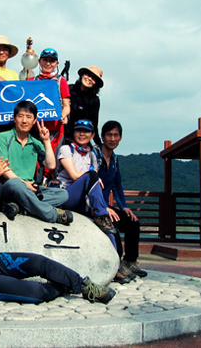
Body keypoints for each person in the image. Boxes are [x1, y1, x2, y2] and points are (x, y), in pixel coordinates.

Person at [57, 119, 134, 283]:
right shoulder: (66, 149)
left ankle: (116, 268)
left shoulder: (92, 155)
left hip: (83, 201)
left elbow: (111, 185)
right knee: (92, 177)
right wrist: (102, 204)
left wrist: (102, 205)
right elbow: (75, 176)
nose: (82, 134)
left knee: (108, 229)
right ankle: (101, 213)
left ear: (92, 135)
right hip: (67, 195)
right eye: (79, 130)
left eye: (86, 131)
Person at [0, 100, 72, 224]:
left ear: (34, 121)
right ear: (14, 118)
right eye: (20, 116)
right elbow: (3, 169)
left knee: (63, 194)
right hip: (10, 186)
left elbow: (51, 165)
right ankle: (51, 214)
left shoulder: (36, 142)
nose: (24, 120)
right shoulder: (3, 137)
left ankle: (21, 207)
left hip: (31, 189)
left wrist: (46, 141)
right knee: (15, 183)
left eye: (29, 117)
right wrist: (24, 183)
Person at [96, 120, 147, 279]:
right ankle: (116, 267)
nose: (112, 138)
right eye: (109, 135)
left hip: (108, 206)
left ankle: (129, 262)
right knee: (114, 225)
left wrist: (123, 207)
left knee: (132, 221)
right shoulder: (94, 156)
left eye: (116, 135)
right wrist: (104, 207)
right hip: (94, 206)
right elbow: (90, 185)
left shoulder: (115, 160)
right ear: (102, 137)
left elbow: (117, 185)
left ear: (120, 137)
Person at [29, 48, 71, 171]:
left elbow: (66, 106)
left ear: (57, 64)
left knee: (53, 163)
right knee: (35, 163)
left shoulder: (61, 82)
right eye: (45, 60)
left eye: (52, 61)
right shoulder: (31, 81)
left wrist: (63, 115)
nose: (48, 63)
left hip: (56, 129)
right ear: (39, 61)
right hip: (35, 129)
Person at [66, 66, 104, 146]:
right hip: (62, 133)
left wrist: (99, 143)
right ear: (82, 75)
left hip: (80, 138)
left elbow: (94, 123)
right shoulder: (68, 89)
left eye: (94, 78)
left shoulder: (94, 100)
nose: (89, 79)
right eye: (88, 75)